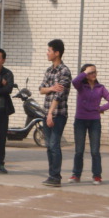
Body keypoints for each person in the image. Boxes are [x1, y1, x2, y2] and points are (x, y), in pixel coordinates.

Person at [68, 64, 109, 185]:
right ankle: (76, 175)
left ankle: (97, 176)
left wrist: (101, 108)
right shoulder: (81, 86)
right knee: (79, 150)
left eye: (95, 72)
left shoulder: (100, 88)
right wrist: (85, 73)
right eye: (91, 72)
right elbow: (74, 81)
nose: (94, 74)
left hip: (94, 121)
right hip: (80, 120)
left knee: (95, 151)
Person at [39, 39, 72, 187]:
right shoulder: (49, 70)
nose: (47, 53)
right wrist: (51, 88)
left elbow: (60, 95)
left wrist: (51, 113)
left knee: (54, 144)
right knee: (48, 145)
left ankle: (56, 176)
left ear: (56, 53)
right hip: (46, 112)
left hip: (58, 114)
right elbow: (41, 89)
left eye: (49, 50)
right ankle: (51, 174)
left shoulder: (64, 71)